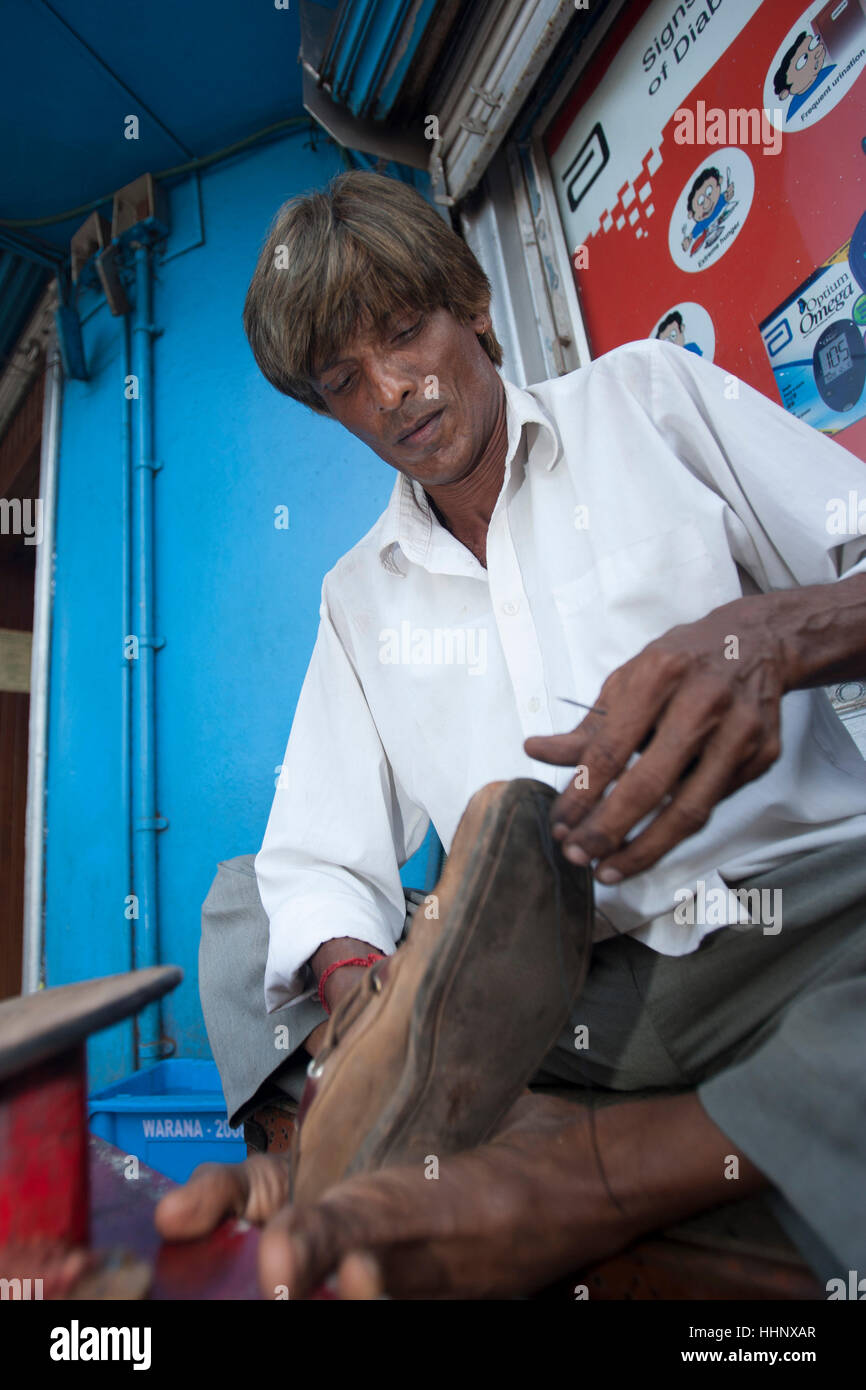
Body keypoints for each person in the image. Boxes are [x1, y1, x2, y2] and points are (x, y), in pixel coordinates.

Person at [155, 171, 866, 1299]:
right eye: (345, 380)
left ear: (473, 303)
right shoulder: (357, 597)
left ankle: (595, 1170)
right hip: (562, 1014)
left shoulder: (646, 400)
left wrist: (763, 635)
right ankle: (398, 1115)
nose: (394, 390)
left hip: (804, 941)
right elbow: (315, 859)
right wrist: (365, 996)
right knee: (250, 906)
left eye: (405, 333)